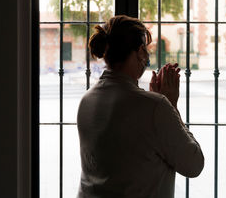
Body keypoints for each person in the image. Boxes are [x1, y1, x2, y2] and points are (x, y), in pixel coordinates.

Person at [77, 15, 204, 198]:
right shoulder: (156, 107)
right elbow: (194, 164)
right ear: (140, 52)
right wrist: (171, 106)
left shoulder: (87, 100)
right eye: (146, 49)